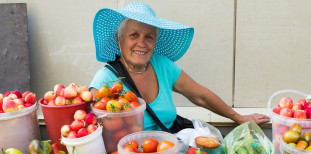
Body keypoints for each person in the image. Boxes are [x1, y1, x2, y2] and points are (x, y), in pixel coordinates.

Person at [90, 2, 270, 131]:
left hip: (169, 153)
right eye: (133, 35)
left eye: (149, 37)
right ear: (118, 39)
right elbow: (88, 124)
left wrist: (237, 117)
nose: (141, 43)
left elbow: (200, 96)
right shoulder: (105, 79)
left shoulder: (163, 66)